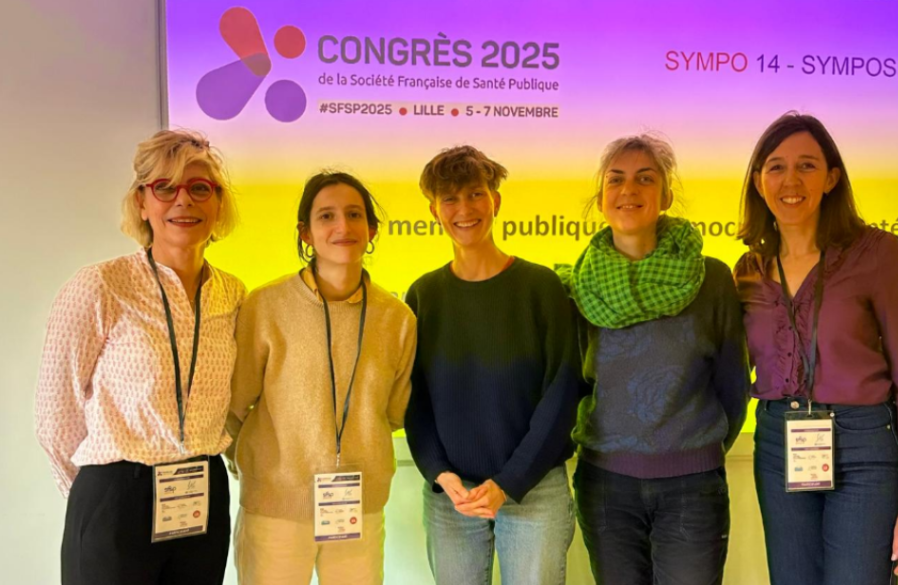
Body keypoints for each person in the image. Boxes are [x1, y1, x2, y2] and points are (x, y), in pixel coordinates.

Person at [733, 112, 898, 585]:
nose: (791, 180)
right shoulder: (748, 270)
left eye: (806, 166)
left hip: (864, 448)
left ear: (831, 178)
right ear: (759, 182)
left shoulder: (877, 252)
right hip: (778, 445)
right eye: (776, 167)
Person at [35, 129, 245, 585]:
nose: (183, 200)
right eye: (164, 187)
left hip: (202, 497)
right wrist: (99, 496)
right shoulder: (101, 286)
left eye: (199, 188)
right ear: (141, 203)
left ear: (218, 203)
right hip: (116, 497)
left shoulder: (232, 294)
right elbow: (56, 414)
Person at [560, 134, 750, 585]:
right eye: (616, 179)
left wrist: (692, 453)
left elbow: (733, 385)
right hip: (605, 487)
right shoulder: (580, 287)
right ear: (601, 199)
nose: (629, 190)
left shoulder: (710, 278)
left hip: (692, 487)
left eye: (645, 179)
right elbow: (572, 385)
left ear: (665, 196)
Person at [404, 145, 584, 585]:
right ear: (434, 211)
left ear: (496, 201)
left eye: (475, 194)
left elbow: (563, 393)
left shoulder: (541, 287)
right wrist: (438, 472)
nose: (464, 209)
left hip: (533, 488)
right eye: (450, 199)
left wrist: (510, 480)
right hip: (453, 496)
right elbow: (414, 399)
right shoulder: (424, 295)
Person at [227, 171, 416, 585]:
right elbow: (234, 406)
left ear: (371, 229)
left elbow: (395, 412)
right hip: (275, 509)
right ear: (306, 233)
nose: (343, 226)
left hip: (357, 509)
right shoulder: (266, 306)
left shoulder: (397, 318)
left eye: (354, 214)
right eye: (327, 216)